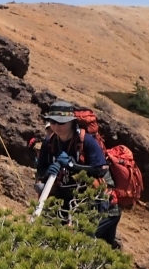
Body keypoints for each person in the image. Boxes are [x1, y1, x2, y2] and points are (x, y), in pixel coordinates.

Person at [35, 100, 122, 247]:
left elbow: (100, 170)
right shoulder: (49, 141)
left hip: (94, 201)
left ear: (71, 122)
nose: (57, 126)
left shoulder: (87, 141)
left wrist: (73, 166)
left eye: (61, 122)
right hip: (63, 200)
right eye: (53, 122)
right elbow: (41, 170)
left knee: (86, 242)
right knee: (57, 238)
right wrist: (47, 171)